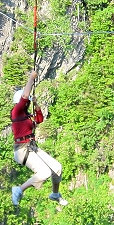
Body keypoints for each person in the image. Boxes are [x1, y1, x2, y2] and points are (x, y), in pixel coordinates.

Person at [11, 71, 68, 206]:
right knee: (44, 172)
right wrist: (31, 78)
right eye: (26, 102)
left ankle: (55, 194)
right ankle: (19, 189)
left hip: (31, 147)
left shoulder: (26, 116)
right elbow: (25, 96)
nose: (26, 103)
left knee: (57, 168)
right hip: (22, 151)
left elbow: (39, 119)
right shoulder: (16, 112)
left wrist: (36, 104)